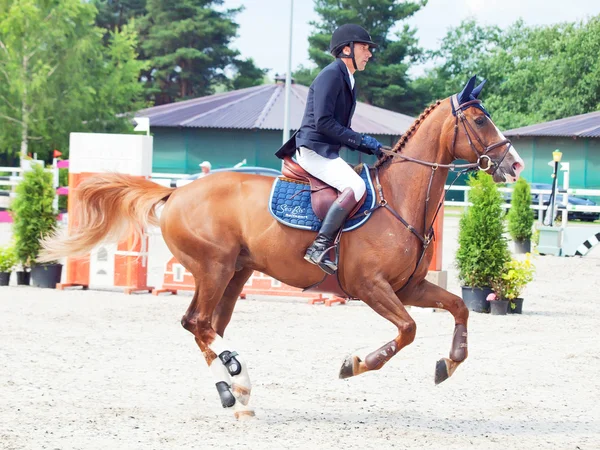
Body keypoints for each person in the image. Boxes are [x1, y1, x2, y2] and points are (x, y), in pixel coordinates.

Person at [275, 24, 385, 274]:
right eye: (365, 48)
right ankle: (319, 246)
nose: (369, 54)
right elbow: (323, 123)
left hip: (326, 150)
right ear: (347, 48)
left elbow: (338, 127)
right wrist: (361, 141)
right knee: (355, 187)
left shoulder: (348, 78)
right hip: (313, 149)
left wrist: (369, 146)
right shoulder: (331, 74)